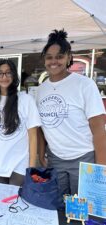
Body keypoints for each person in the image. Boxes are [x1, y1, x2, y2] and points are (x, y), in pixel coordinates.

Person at [37, 29, 106, 200]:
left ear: (68, 57)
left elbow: (99, 129)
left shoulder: (85, 85)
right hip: (55, 158)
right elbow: (40, 128)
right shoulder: (41, 89)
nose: (54, 61)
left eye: (59, 56)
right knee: (59, 204)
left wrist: (102, 166)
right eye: (49, 57)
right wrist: (41, 153)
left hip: (84, 158)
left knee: (83, 207)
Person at [0, 59, 41, 186]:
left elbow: (33, 136)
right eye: (0, 73)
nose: (4, 77)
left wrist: (31, 167)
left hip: (19, 164)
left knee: (16, 200)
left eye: (8, 73)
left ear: (14, 75)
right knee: (0, 200)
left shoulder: (26, 100)